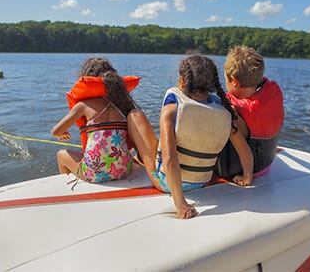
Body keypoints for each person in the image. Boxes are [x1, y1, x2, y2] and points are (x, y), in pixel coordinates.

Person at [127, 54, 253, 219]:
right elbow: (245, 151)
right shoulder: (223, 112)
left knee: (135, 116)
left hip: (166, 183)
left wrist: (181, 205)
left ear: (182, 80)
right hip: (201, 182)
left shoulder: (172, 110)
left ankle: (136, 158)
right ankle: (139, 158)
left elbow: (170, 160)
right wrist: (247, 176)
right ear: (211, 83)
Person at [51, 57, 137, 183]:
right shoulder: (122, 104)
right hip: (124, 170)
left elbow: (55, 131)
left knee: (61, 154)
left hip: (95, 173)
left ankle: (73, 189)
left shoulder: (83, 105)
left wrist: (62, 134)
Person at [216, 46, 284, 181]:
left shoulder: (234, 110)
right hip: (267, 164)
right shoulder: (272, 93)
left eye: (226, 79)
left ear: (234, 81)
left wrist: (247, 176)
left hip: (242, 170)